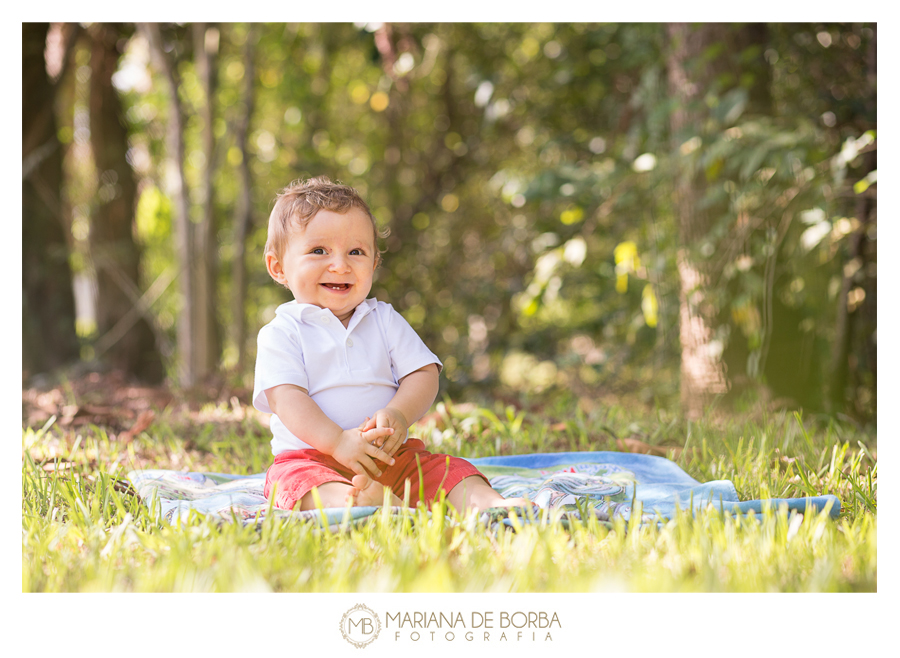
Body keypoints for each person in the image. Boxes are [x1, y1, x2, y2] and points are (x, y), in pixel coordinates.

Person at [253, 176, 530, 514]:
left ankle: (489, 505)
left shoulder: (383, 319)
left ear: (373, 263)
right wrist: (338, 443)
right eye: (318, 251)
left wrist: (399, 412)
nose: (340, 264)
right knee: (297, 485)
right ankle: (360, 502)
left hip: (391, 457)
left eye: (356, 251)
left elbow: (423, 373)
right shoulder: (282, 331)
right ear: (278, 267)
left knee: (447, 471)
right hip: (311, 457)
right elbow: (287, 399)